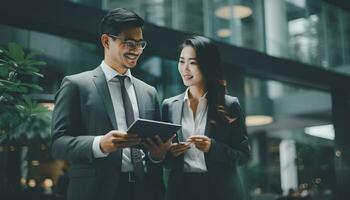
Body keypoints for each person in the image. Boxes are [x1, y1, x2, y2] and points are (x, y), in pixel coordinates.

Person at [51, 8, 172, 200]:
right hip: (96, 191)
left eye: (141, 44)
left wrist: (157, 154)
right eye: (129, 43)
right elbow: (58, 144)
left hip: (146, 190)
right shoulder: (76, 85)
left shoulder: (149, 92)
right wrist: (100, 144)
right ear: (106, 41)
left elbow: (154, 150)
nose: (137, 50)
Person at [162, 36, 250, 200]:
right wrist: (171, 153)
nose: (185, 69)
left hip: (220, 192)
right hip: (181, 191)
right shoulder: (169, 105)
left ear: (207, 65)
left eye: (193, 63)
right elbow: (165, 161)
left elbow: (243, 156)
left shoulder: (230, 105)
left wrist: (213, 147)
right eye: (182, 61)